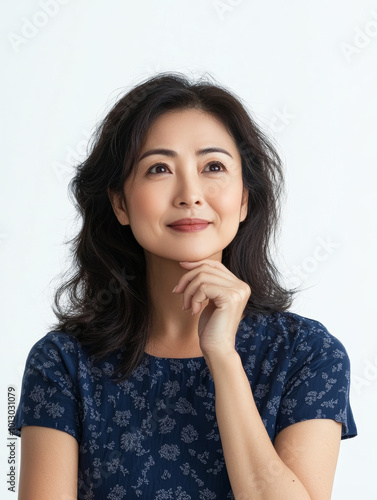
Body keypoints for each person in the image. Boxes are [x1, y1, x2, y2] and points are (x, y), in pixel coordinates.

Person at [12, 72, 357, 499]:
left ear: (245, 198)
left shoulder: (308, 354)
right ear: (120, 202)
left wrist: (223, 358)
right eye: (159, 168)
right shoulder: (63, 363)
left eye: (213, 166)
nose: (190, 193)